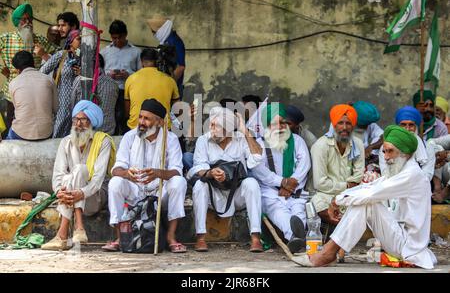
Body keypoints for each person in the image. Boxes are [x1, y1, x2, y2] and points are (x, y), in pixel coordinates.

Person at [293, 126, 437, 270]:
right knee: (365, 201)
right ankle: (329, 252)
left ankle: (328, 253)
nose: (386, 157)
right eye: (384, 151)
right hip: (400, 239)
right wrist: (338, 198)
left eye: (390, 151)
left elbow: (372, 193)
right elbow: (370, 188)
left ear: (405, 153)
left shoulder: (412, 175)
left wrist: (337, 200)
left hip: (408, 247)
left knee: (367, 202)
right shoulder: (403, 171)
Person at [105, 99, 187, 253]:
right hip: (135, 188)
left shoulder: (171, 139)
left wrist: (158, 173)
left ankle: (171, 237)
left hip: (159, 191)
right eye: (140, 117)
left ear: (160, 122)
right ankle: (120, 237)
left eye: (147, 118)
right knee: (115, 183)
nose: (141, 122)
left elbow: (177, 171)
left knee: (179, 182)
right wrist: (127, 174)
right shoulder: (129, 137)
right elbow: (116, 169)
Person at [188, 106, 264, 252]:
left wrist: (245, 131)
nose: (211, 129)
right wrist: (211, 173)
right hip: (214, 194)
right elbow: (198, 168)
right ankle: (201, 238)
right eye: (210, 124)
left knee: (251, 183)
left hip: (235, 194)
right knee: (199, 185)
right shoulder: (204, 140)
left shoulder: (241, 139)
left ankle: (255, 237)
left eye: (215, 126)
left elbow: (257, 158)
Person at [41, 100, 115, 250]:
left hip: (94, 198)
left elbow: (97, 180)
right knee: (70, 177)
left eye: (83, 119)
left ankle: (62, 235)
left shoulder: (103, 141)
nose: (78, 124)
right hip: (70, 197)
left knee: (80, 170)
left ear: (92, 121)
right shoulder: (66, 142)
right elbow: (58, 176)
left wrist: (81, 193)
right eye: (76, 119)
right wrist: (59, 192)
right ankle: (78, 229)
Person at [251, 103, 311, 253]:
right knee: (278, 211)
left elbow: (304, 165)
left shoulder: (297, 141)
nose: (280, 127)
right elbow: (259, 170)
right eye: (275, 124)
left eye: (283, 122)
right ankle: (296, 237)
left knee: (298, 210)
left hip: (295, 190)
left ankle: (297, 239)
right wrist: (282, 182)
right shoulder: (259, 144)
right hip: (270, 192)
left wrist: (291, 185)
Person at [0, 3, 58, 129]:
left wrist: (44, 55)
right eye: (24, 19)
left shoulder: (40, 40)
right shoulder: (6, 39)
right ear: (17, 22)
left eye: (30, 19)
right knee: (12, 125)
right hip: (12, 93)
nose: (28, 22)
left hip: (36, 91)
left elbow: (60, 57)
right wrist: (1, 69)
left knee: (34, 125)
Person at [310, 104, 364, 225]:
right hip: (326, 194)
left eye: (348, 123)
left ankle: (342, 229)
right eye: (340, 123)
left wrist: (346, 191)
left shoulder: (358, 144)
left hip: (351, 193)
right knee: (318, 202)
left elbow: (358, 176)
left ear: (353, 126)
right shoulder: (321, 146)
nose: (344, 127)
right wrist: (346, 186)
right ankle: (341, 228)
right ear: (334, 125)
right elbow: (320, 183)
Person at [101, 20, 141, 135]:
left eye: (120, 37)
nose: (117, 41)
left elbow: (141, 73)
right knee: (109, 117)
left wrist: (128, 75)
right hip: (108, 91)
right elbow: (100, 72)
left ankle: (125, 138)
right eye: (114, 38)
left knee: (125, 118)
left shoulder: (136, 52)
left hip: (127, 91)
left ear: (125, 35)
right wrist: (109, 74)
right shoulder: (104, 52)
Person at [124, 48, 179, 130]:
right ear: (157, 61)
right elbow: (177, 109)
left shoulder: (131, 79)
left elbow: (127, 111)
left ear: (141, 61)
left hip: (136, 127)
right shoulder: (170, 80)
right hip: (161, 129)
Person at [7, 51, 57, 140]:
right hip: (46, 132)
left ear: (18, 70)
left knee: (5, 146)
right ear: (33, 63)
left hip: (21, 133)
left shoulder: (13, 83)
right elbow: (56, 108)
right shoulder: (49, 80)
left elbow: (17, 109)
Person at [40, 29, 81, 138]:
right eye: (79, 39)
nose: (81, 42)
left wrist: (81, 73)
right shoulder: (61, 55)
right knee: (59, 129)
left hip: (79, 102)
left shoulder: (84, 58)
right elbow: (43, 71)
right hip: (63, 101)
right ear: (71, 41)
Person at [379, 106, 435, 182]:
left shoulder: (428, 147)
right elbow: (385, 174)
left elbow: (427, 176)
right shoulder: (386, 148)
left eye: (411, 125)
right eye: (403, 125)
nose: (407, 129)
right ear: (398, 126)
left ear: (416, 127)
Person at [71, 54, 119, 135]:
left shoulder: (79, 80)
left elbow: (73, 106)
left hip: (83, 131)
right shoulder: (113, 84)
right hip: (107, 132)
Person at [147, 15, 186, 99]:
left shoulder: (175, 42)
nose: (153, 34)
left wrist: (170, 83)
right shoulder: (165, 42)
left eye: (154, 32)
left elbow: (181, 67)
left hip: (172, 88)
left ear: (162, 29)